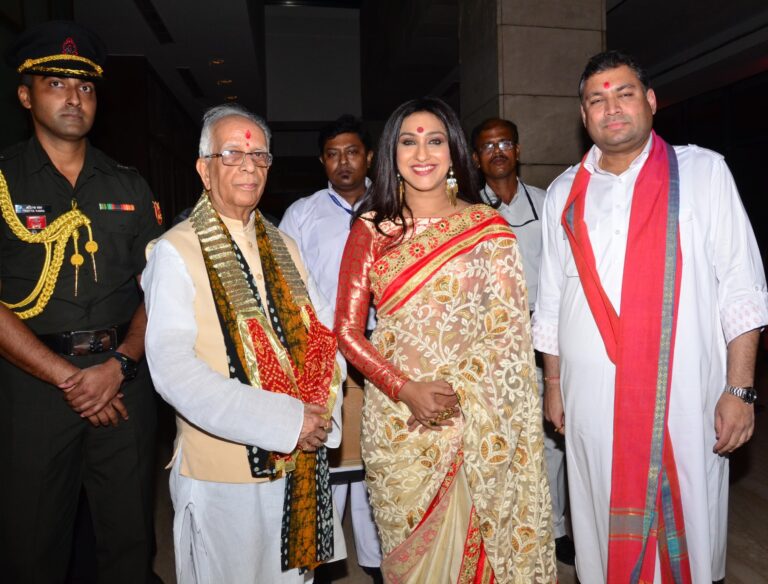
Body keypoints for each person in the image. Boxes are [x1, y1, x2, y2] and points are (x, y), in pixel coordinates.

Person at [533, 50, 768, 583]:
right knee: (597, 518)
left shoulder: (703, 172)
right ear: (583, 114)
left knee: (689, 519)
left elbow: (742, 287)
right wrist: (552, 381)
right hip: (590, 402)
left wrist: (741, 389)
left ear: (651, 101)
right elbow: (550, 298)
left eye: (624, 94)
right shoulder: (564, 193)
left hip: (686, 400)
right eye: (597, 99)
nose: (611, 108)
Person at [335, 97, 556, 583]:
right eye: (408, 141)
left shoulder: (488, 228)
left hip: (478, 420)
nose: (422, 153)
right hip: (398, 426)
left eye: (435, 140)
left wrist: (461, 390)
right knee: (411, 557)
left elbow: (509, 329)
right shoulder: (371, 230)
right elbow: (348, 333)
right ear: (391, 153)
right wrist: (403, 388)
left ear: (454, 151)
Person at [142, 103, 346, 583]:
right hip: (223, 468)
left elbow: (323, 338)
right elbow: (173, 368)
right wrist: (285, 421)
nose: (249, 167)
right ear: (203, 169)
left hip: (299, 461)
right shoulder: (176, 249)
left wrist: (317, 416)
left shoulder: (283, 245)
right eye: (232, 154)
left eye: (260, 157)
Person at [0, 21, 161, 583]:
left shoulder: (128, 185)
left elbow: (156, 289)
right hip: (34, 391)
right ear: (26, 95)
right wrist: (73, 380)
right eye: (56, 83)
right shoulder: (3, 180)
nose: (74, 98)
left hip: (123, 382)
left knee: (130, 543)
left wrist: (119, 366)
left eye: (86, 87)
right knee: (31, 545)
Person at [279, 115, 383, 582]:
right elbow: (285, 285)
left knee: (377, 462)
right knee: (331, 461)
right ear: (323, 160)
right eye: (334, 153)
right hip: (325, 354)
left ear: (370, 157)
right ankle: (324, 565)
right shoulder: (302, 213)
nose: (344, 161)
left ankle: (379, 562)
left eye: (353, 152)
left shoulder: (393, 207)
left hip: (383, 351)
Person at [471, 117, 575, 566]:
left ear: (518, 150)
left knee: (553, 436)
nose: (497, 151)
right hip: (490, 345)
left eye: (505, 143)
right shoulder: (466, 210)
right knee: (497, 440)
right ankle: (503, 528)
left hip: (542, 339)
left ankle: (555, 530)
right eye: (487, 146)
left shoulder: (548, 201)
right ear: (476, 158)